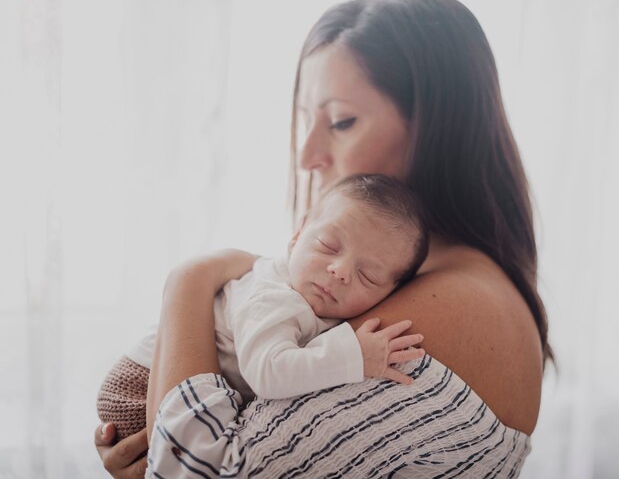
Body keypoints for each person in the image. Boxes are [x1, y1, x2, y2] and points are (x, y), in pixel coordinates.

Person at [95, 0, 552, 477]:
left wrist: (188, 280)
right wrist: (149, 432)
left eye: (341, 122)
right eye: (304, 119)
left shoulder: (455, 304)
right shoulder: (428, 280)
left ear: (438, 129)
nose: (307, 155)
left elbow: (195, 470)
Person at [96, 174, 428, 439]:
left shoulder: (312, 296)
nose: (339, 271)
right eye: (328, 246)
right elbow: (269, 373)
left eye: (367, 276)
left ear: (391, 292)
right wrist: (354, 356)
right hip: (138, 388)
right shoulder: (275, 296)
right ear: (297, 235)